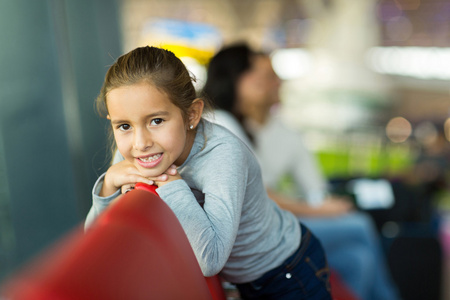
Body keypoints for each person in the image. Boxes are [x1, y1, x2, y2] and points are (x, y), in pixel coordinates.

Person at [85, 46, 332, 299]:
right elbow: (97, 244)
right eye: (124, 125)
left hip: (286, 270)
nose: (140, 142)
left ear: (191, 114)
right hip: (237, 282)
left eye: (156, 121)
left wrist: (170, 183)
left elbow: (211, 259)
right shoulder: (136, 154)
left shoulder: (222, 154)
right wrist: (108, 186)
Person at [202, 44, 401, 300]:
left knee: (357, 260)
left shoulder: (281, 131)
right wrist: (321, 211)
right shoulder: (221, 124)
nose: (275, 83)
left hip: (272, 225)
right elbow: (259, 196)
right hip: (257, 236)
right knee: (360, 226)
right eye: (263, 76)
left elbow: (313, 189)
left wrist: (323, 204)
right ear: (235, 81)